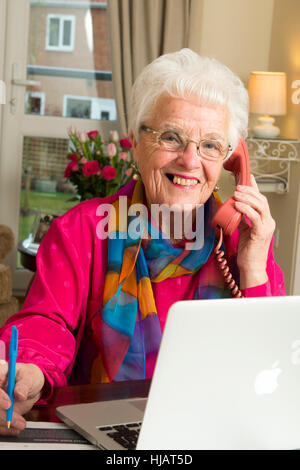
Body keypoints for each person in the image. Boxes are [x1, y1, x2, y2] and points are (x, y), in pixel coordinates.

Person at [0, 49, 285, 435]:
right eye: (171, 137)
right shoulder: (81, 230)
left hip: (218, 431)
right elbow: (46, 322)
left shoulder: (243, 241)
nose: (189, 160)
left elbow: (272, 371)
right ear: (135, 141)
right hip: (102, 434)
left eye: (211, 145)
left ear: (230, 160)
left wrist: (252, 268)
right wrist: (28, 370)